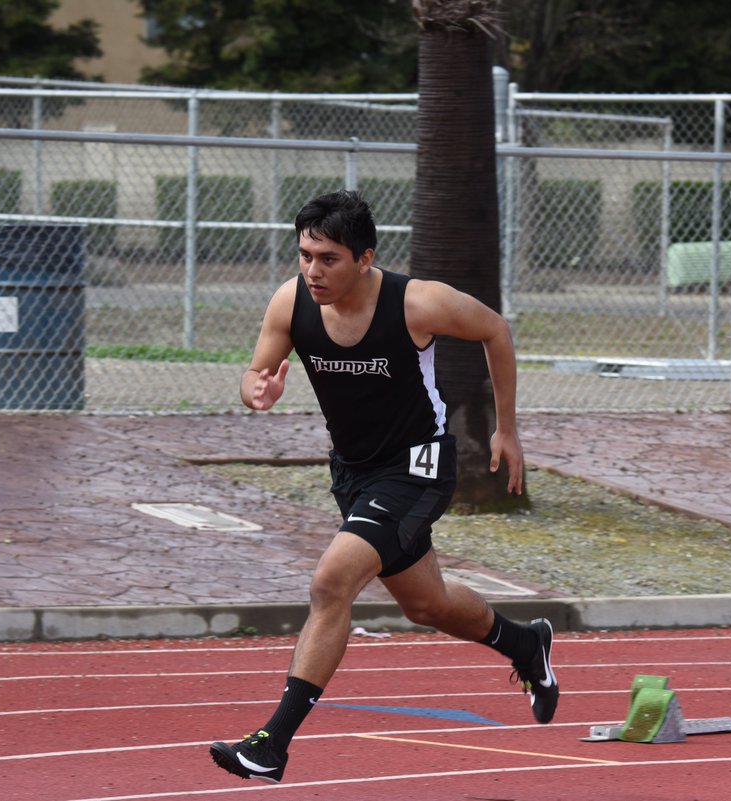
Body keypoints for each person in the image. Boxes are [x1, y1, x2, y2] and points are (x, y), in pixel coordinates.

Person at [209, 190, 558, 784]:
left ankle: (272, 745)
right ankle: (525, 645)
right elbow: (254, 373)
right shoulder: (291, 303)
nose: (313, 271)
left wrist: (507, 429)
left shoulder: (416, 303)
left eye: (329, 259)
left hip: (420, 465)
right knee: (427, 605)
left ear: (365, 258)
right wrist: (256, 393)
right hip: (354, 471)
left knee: (331, 581)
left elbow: (495, 331)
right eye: (305, 255)